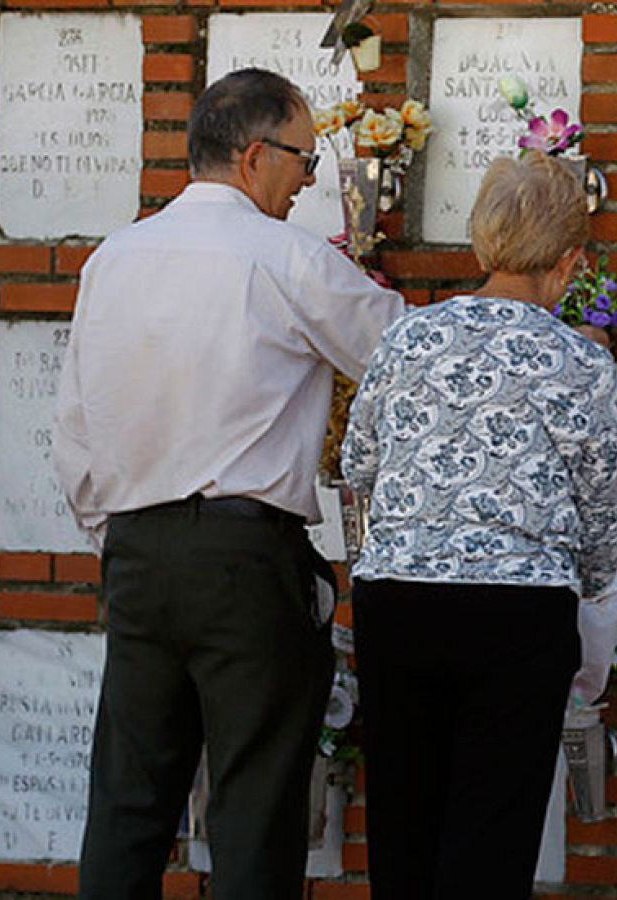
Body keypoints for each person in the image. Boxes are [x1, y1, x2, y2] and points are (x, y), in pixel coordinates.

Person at [54, 68, 405, 900]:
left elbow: (74, 433)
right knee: (254, 806)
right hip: (247, 558)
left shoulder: (115, 259)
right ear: (254, 157)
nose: (310, 180)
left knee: (127, 804)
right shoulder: (285, 256)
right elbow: (404, 358)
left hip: (137, 553)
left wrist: (124, 537)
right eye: (304, 159)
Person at [340, 152, 617, 898]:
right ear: (569, 264)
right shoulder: (581, 362)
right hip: (517, 609)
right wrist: (596, 605)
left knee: (404, 829)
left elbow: (358, 463)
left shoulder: (408, 338)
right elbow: (600, 512)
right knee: (490, 840)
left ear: (481, 246)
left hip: (397, 598)